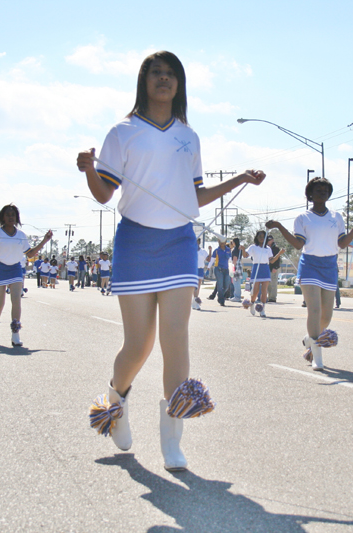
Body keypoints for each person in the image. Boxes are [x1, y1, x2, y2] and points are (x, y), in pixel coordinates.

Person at [76, 50, 265, 471]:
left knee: (175, 336)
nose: (164, 80)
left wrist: (238, 180)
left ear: (179, 85)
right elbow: (105, 193)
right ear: (143, 81)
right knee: (138, 345)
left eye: (171, 74)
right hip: (136, 243)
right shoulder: (122, 132)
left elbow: (193, 195)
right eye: (156, 73)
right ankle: (114, 402)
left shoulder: (189, 136)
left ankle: (172, 439)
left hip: (179, 242)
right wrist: (89, 169)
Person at [266, 178, 353, 371]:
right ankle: (316, 355)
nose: (322, 193)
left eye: (326, 190)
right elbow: (298, 244)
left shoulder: (336, 217)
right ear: (310, 195)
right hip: (310, 265)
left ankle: (309, 339)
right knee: (315, 311)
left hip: (329, 266)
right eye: (318, 190)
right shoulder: (303, 218)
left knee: (327, 315)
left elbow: (343, 243)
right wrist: (278, 225)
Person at [0, 204, 52, 347]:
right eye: (8, 215)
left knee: (16, 300)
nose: (11, 217)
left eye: (13, 215)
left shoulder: (21, 235)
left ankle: (15, 334)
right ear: (2, 218)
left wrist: (45, 240)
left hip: (16, 269)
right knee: (0, 304)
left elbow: (30, 254)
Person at [243, 231, 282, 318]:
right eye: (259, 236)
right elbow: (245, 255)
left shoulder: (268, 248)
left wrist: (279, 253)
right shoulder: (253, 247)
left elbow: (271, 260)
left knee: (264, 291)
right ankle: (252, 304)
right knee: (256, 291)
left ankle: (263, 309)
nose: (261, 238)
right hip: (256, 268)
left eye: (263, 236)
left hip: (265, 268)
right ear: (257, 237)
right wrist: (242, 249)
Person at [211, 239, 232, 307]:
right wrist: (208, 267)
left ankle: (220, 295)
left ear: (225, 242)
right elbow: (212, 259)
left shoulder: (228, 250)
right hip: (218, 269)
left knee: (226, 285)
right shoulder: (216, 250)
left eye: (223, 241)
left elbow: (230, 259)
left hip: (226, 269)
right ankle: (221, 300)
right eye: (220, 241)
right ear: (218, 242)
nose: (222, 243)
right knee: (220, 285)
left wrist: (229, 258)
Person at [192, 238, 209, 310]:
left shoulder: (203, 251)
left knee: (198, 286)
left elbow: (208, 259)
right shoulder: (191, 250)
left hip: (201, 269)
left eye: (197, 242)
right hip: (194, 269)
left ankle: (195, 300)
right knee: (195, 286)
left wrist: (210, 251)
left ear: (199, 242)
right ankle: (196, 301)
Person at [267, 235, 282, 303]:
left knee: (273, 283)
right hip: (267, 268)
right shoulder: (265, 248)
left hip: (273, 268)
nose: (269, 241)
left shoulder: (275, 249)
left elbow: (278, 259)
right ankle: (269, 296)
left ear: (272, 240)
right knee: (268, 283)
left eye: (270, 239)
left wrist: (275, 267)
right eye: (268, 239)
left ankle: (273, 297)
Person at [229, 238, 243, 302]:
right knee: (238, 282)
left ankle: (237, 296)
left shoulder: (234, 250)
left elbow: (234, 259)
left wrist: (233, 268)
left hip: (236, 266)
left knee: (235, 282)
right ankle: (238, 295)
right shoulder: (240, 249)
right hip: (239, 265)